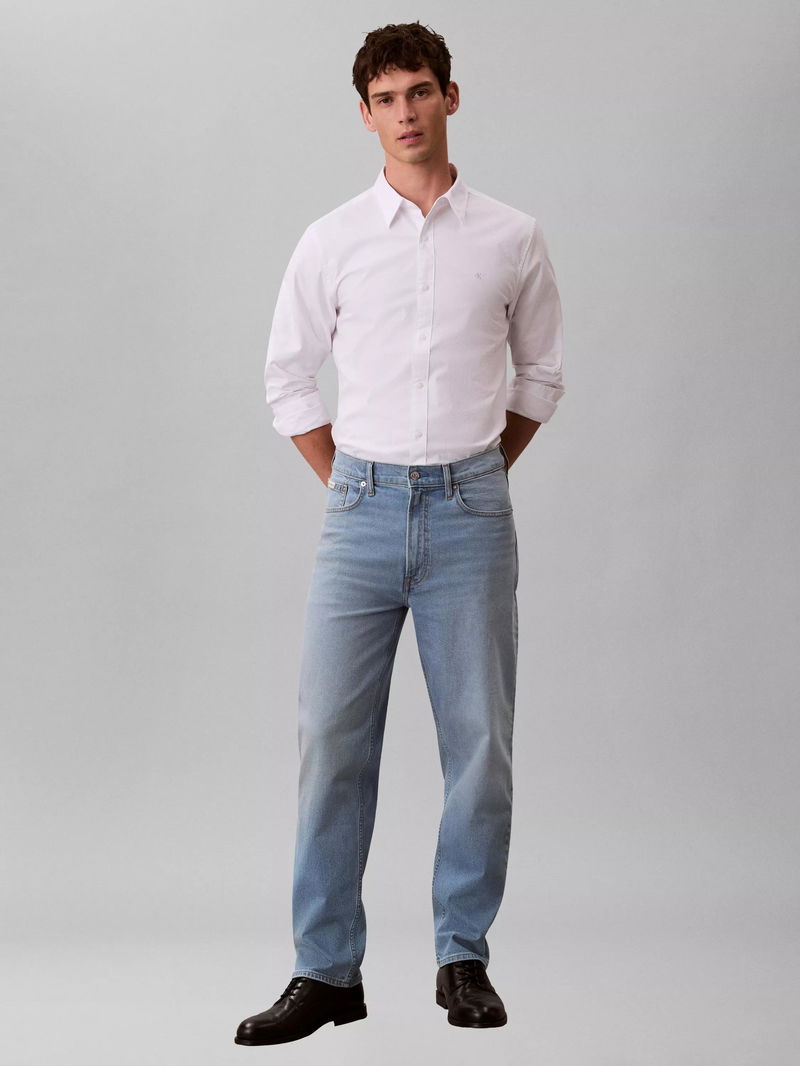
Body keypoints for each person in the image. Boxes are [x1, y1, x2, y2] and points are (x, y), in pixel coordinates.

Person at [235, 20, 565, 1046]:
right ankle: (325, 970)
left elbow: (539, 374)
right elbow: (286, 375)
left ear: (449, 98)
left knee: (480, 745)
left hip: (470, 512)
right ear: (366, 114)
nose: (405, 112)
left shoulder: (511, 236)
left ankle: (462, 956)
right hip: (359, 515)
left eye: (420, 91)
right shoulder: (332, 239)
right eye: (385, 98)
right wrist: (350, 484)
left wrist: (478, 474)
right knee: (332, 741)